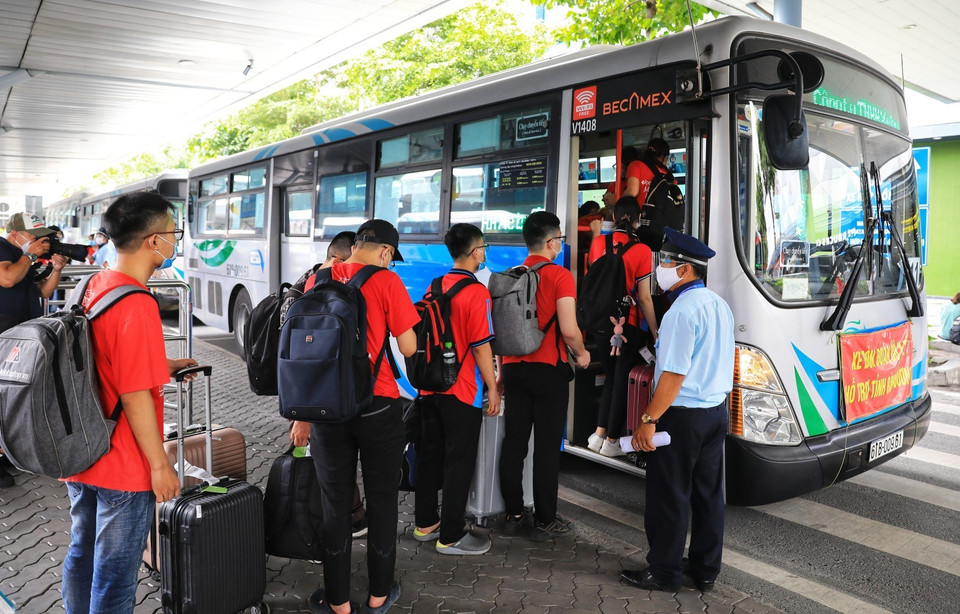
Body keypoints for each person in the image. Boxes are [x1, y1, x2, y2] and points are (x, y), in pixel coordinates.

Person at [60, 192, 197, 612]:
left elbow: (101, 358)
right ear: (154, 241)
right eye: (174, 232)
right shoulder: (136, 302)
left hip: (81, 451)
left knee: (82, 550)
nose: (177, 240)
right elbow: (134, 392)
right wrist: (161, 465)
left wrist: (164, 364)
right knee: (116, 574)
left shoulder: (93, 283)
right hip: (123, 463)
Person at [307, 219, 419, 614]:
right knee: (383, 501)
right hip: (378, 405)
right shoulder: (388, 283)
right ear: (386, 252)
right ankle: (378, 594)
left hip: (327, 407)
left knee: (335, 503)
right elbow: (408, 345)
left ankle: (337, 602)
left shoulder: (317, 279)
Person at [620, 227, 734, 594]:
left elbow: (672, 376)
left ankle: (665, 572)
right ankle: (704, 571)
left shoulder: (681, 312)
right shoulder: (718, 305)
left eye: (665, 261)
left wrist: (647, 421)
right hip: (715, 413)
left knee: (669, 496)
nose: (660, 267)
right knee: (708, 496)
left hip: (681, 416)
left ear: (685, 270)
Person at [498, 211, 590, 542]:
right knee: (547, 448)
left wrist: (500, 372)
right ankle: (545, 520)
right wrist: (581, 353)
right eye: (560, 239)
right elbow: (568, 329)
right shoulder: (560, 276)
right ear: (551, 242)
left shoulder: (510, 275)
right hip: (547, 371)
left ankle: (512, 515)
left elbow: (500, 329)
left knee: (514, 443)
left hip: (512, 368)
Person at [413, 223, 500, 555]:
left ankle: (425, 524)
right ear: (475, 251)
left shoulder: (436, 285)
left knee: (430, 455)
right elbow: (480, 347)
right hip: (461, 391)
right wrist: (492, 388)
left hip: (429, 388)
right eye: (483, 247)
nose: (484, 253)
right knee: (458, 461)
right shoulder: (476, 292)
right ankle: (450, 536)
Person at [282, 231, 369, 539]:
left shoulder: (322, 283)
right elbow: (309, 360)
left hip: (321, 391)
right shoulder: (317, 289)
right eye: (347, 263)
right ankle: (344, 519)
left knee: (332, 462)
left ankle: (343, 517)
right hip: (312, 394)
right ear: (335, 260)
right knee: (328, 463)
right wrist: (302, 419)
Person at [0, 213, 70, 488]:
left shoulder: (21, 256)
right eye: (34, 235)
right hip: (4, 331)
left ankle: (10, 454)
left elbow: (43, 291)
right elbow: (5, 279)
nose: (39, 241)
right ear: (16, 233)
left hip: (24, 332)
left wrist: (56, 268)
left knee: (14, 394)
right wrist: (29, 255)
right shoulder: (5, 249)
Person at [585, 197, 658, 457]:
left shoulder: (596, 243)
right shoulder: (642, 251)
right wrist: (654, 331)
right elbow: (645, 297)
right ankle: (613, 440)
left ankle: (599, 434)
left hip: (600, 324)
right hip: (629, 324)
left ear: (614, 218)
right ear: (638, 220)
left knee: (610, 377)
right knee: (621, 380)